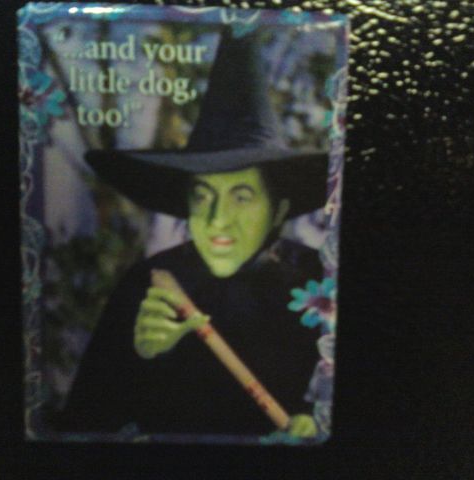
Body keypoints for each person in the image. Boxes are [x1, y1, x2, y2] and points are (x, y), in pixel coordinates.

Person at [56, 27, 329, 439]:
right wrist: (144, 358)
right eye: (203, 197)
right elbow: (84, 428)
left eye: (241, 196)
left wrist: (316, 424)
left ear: (279, 209)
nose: (217, 220)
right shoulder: (148, 286)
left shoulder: (320, 284)